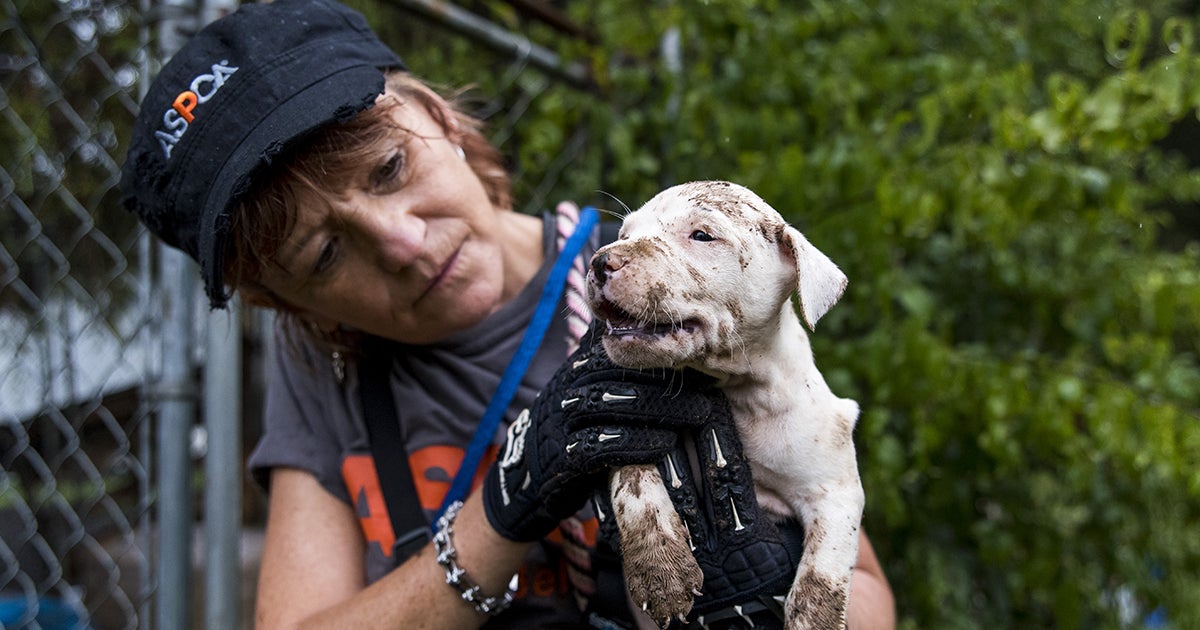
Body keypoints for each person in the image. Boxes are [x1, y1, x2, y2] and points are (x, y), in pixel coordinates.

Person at [120, 1, 895, 628]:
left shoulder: (663, 298)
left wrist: (771, 599)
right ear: (290, 305)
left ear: (438, 116)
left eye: (390, 167)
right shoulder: (328, 366)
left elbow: (861, 588)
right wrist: (498, 517)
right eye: (324, 254)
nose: (402, 242)